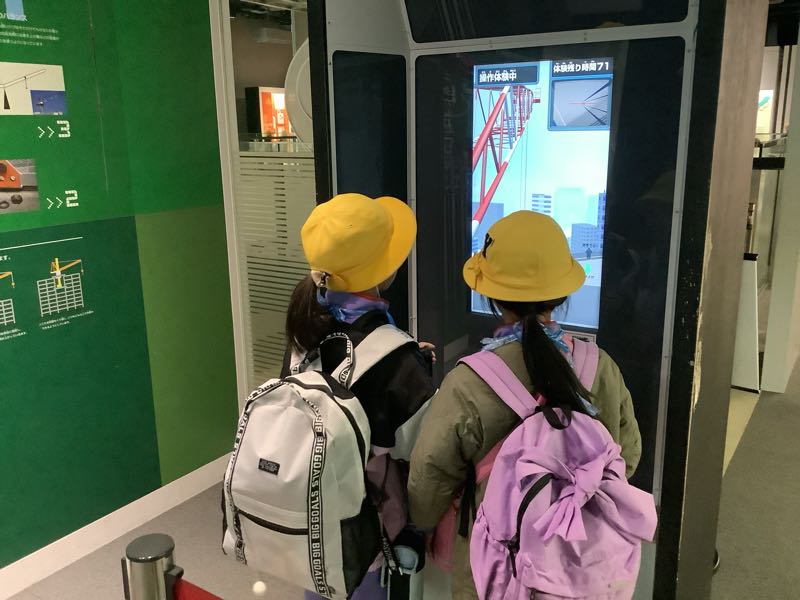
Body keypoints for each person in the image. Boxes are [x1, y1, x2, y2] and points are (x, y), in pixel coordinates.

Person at [408, 210, 642, 600]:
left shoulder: (469, 381)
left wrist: (425, 522)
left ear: (492, 297)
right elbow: (627, 457)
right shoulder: (600, 367)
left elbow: (429, 481)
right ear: (563, 292)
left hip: (495, 570)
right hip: (579, 564)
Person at [283, 193, 436, 600]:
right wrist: (413, 374)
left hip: (310, 521)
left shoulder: (305, 329)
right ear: (383, 269)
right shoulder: (396, 357)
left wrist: (406, 365)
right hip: (365, 536)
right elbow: (421, 452)